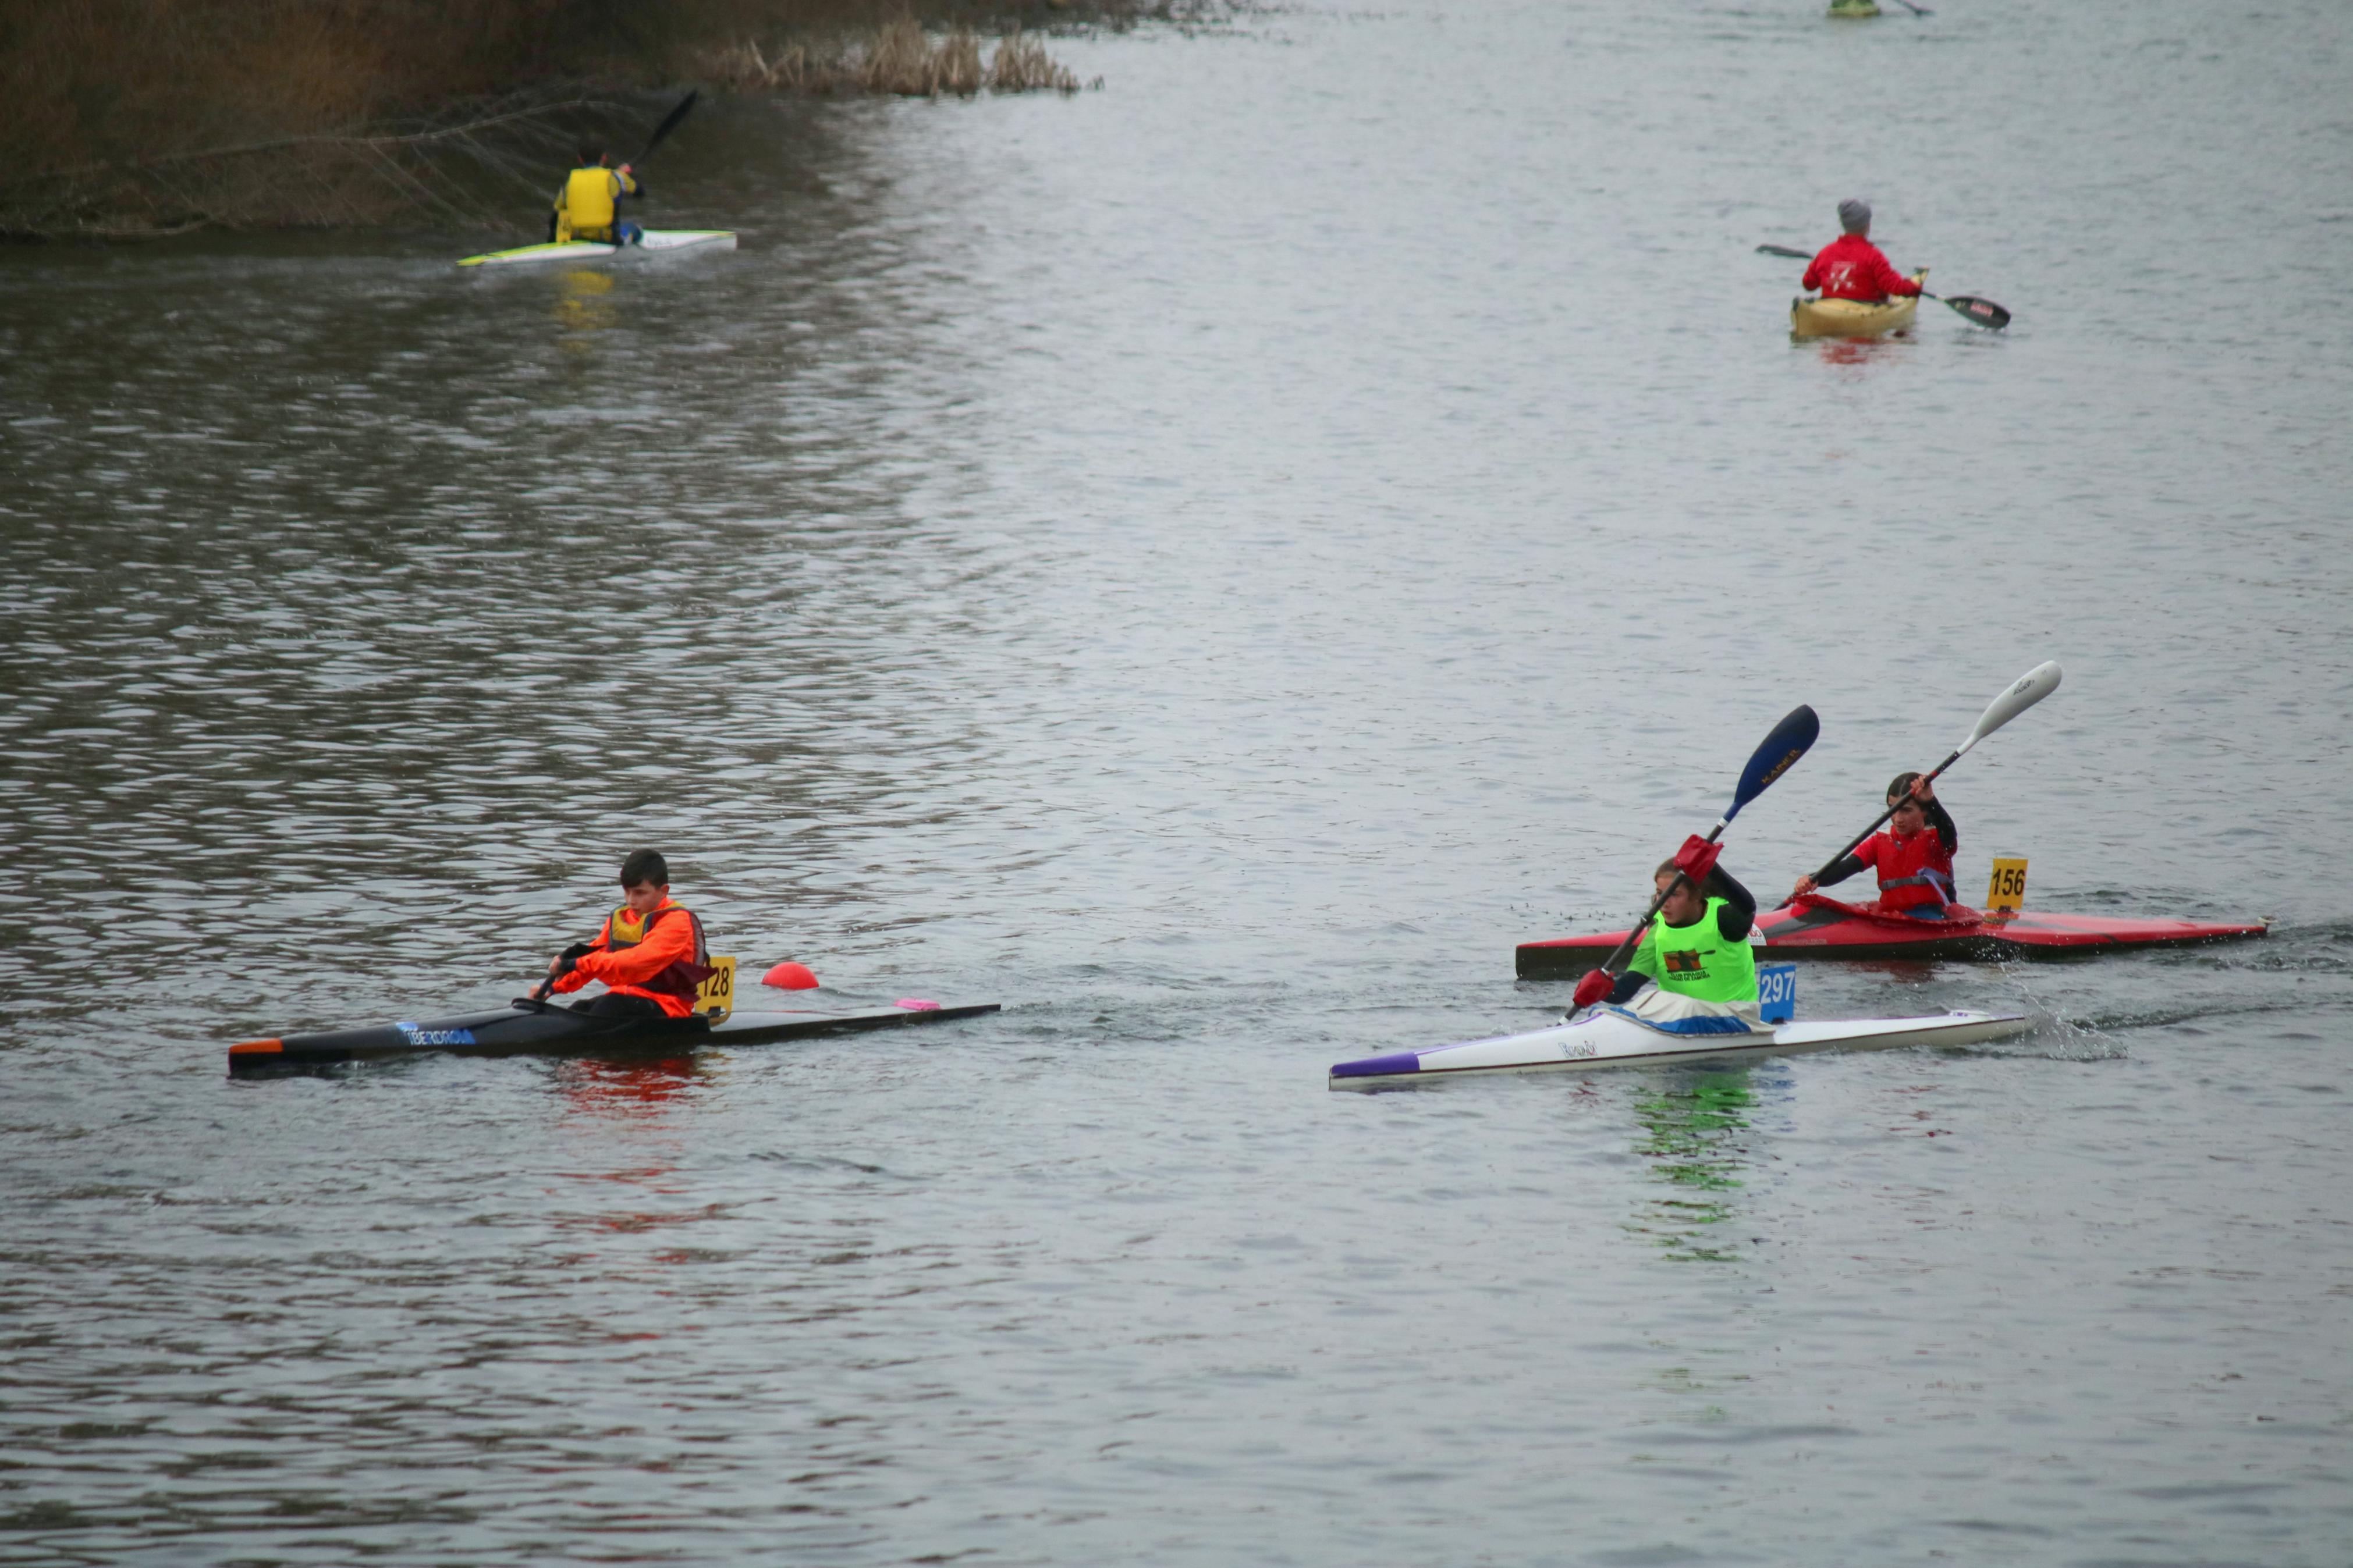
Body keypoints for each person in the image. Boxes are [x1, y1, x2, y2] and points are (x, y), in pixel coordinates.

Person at [1570, 840, 1764, 1033]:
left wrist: (1712, 868)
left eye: (1674, 894)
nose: (1664, 903)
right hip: (1677, 1022)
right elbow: (1627, 989)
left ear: (1696, 896)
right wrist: (1601, 991)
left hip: (1737, 1018)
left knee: (1682, 1005)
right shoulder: (1657, 928)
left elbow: (1748, 907)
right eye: (1660, 894)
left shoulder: (1724, 919)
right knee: (1630, 1005)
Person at [545, 849, 712, 1020]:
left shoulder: (677, 921)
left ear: (664, 891)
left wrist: (575, 963)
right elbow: (597, 954)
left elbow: (636, 961)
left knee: (607, 1007)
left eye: (640, 893)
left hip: (669, 1005)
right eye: (627, 891)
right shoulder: (622, 918)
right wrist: (552, 988)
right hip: (627, 998)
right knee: (578, 1008)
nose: (631, 900)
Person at [1790, 772, 1958, 918]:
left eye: (1906, 811)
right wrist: (1814, 879)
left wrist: (1931, 801)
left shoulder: (1937, 838)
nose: (1898, 818)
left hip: (1934, 918)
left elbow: (1949, 831)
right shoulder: (1880, 841)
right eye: (1893, 810)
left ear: (1924, 811)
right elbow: (1846, 868)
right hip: (1893, 918)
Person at [1801, 199, 1922, 304]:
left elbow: (1808, 284)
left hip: (1830, 307)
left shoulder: (1825, 253)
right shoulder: (1874, 256)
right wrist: (1914, 288)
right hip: (1864, 309)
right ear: (1867, 226)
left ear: (1843, 224)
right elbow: (1893, 286)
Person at [549, 145, 640, 246]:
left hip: (576, 237)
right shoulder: (616, 176)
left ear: (580, 159)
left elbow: (555, 215)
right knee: (635, 228)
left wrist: (551, 240)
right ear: (605, 158)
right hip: (608, 239)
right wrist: (623, 175)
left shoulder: (571, 181)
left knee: (563, 211)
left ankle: (560, 242)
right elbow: (639, 193)